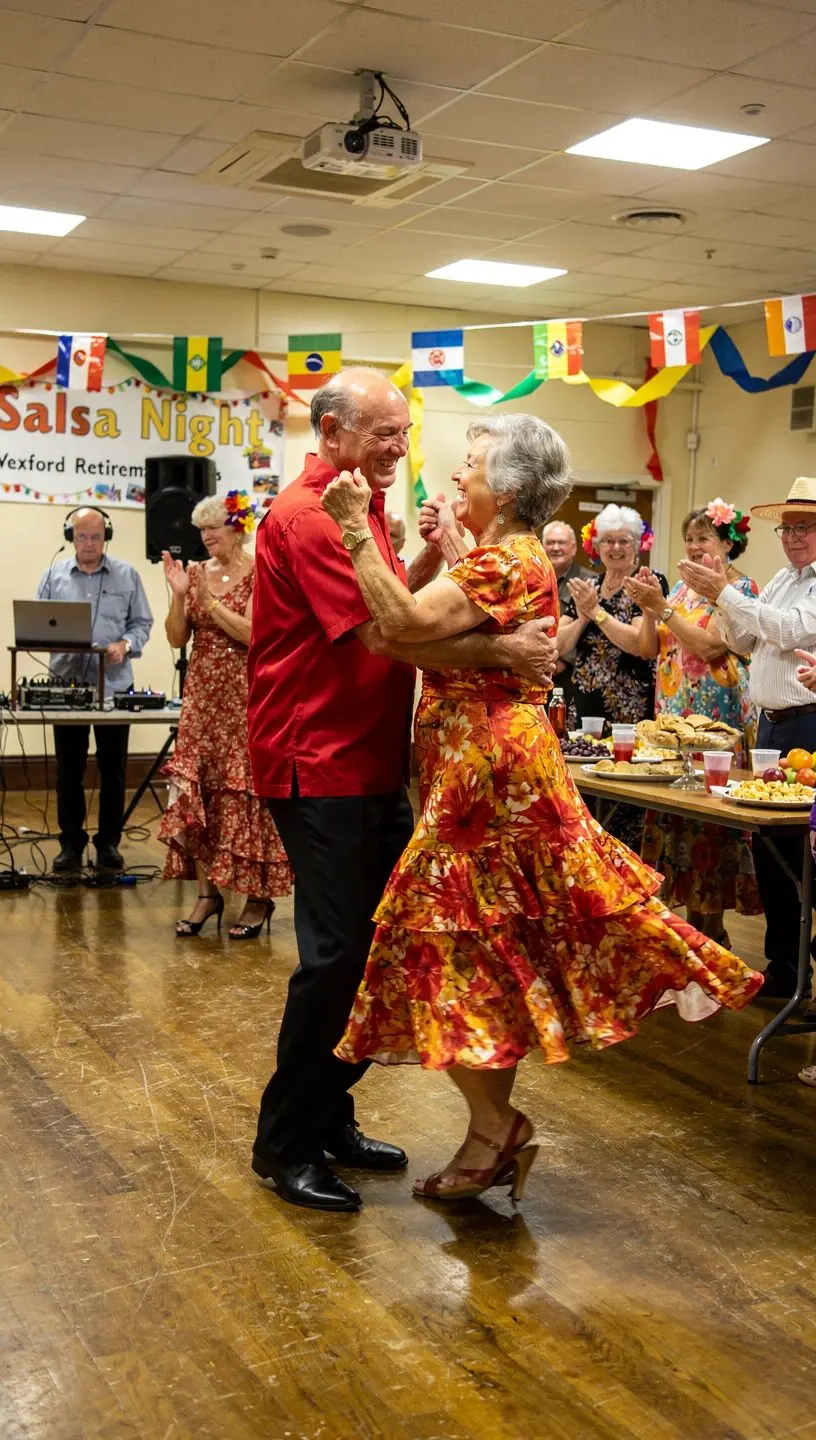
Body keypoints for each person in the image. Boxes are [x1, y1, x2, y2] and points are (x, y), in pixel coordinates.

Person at [321, 415, 762, 1205]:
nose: (460, 476)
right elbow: (411, 636)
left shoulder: (514, 556)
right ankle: (496, 1129)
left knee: (433, 950)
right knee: (476, 953)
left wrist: (358, 530)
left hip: (490, 782)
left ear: (513, 488)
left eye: (474, 465)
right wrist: (476, 613)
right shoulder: (503, 556)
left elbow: (402, 626)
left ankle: (497, 1128)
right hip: (477, 772)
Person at [246, 368, 561, 1214]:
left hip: (368, 760)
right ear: (333, 430)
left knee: (375, 952)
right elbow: (387, 634)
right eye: (383, 433)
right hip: (319, 761)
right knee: (337, 956)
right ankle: (284, 1143)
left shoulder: (356, 505)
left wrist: (422, 553)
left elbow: (400, 599)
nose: (399, 449)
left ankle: (329, 1115)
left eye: (403, 433)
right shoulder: (315, 515)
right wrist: (500, 655)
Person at [677, 476, 816, 999]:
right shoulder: (781, 578)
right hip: (773, 726)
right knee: (769, 852)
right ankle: (784, 969)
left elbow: (789, 630)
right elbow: (741, 639)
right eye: (787, 527)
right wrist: (723, 602)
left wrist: (725, 593)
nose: (793, 537)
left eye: (804, 527)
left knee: (802, 851)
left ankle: (803, 970)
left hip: (809, 722)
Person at [158, 491, 291, 939]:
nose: (206, 536)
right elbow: (178, 639)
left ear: (236, 528)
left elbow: (256, 635)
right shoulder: (194, 573)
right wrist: (180, 597)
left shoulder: (259, 572)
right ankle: (208, 895)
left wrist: (211, 604)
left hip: (245, 696)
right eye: (202, 530)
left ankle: (257, 898)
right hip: (201, 699)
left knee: (245, 794)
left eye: (213, 527)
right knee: (200, 793)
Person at [627, 499, 761, 944]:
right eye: (689, 539)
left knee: (710, 826)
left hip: (715, 723)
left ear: (728, 544)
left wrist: (662, 608)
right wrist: (651, 608)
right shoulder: (681, 593)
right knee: (672, 821)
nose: (695, 546)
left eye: (704, 538)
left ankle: (712, 932)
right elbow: (649, 649)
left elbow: (709, 648)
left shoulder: (741, 592)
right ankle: (681, 931)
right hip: (672, 722)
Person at [36, 506, 153, 873]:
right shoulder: (53, 575)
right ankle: (70, 844)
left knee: (113, 769)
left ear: (107, 537)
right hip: (66, 684)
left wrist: (126, 645)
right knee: (68, 769)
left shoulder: (127, 575)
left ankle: (108, 845)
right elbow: (37, 625)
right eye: (82, 536)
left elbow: (142, 623)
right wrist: (51, 641)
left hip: (115, 685)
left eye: (96, 536)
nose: (89, 543)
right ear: (71, 536)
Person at [557, 503, 667, 848]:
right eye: (608, 542)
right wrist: (585, 616)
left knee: (624, 806)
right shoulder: (587, 585)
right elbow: (560, 644)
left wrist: (597, 613)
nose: (616, 549)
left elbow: (639, 645)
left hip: (628, 713)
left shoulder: (648, 583)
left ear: (638, 545)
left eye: (624, 542)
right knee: (584, 800)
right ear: (597, 546)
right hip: (585, 709)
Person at [541, 520, 584, 705]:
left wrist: (562, 661)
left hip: (571, 676)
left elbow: (588, 629)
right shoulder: (534, 579)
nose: (556, 548)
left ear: (573, 548)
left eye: (562, 543)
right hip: (536, 673)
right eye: (550, 542)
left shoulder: (587, 581)